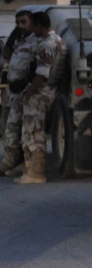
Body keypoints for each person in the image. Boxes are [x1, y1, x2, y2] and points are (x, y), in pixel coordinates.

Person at [15, 11, 64, 184]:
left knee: (33, 130)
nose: (32, 29)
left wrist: (30, 92)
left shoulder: (45, 45)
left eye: (34, 26)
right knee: (35, 129)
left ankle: (36, 173)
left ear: (40, 26)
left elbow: (42, 73)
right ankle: (32, 171)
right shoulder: (57, 40)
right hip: (49, 89)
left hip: (40, 91)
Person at [0, 11, 37, 177]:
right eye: (17, 23)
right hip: (13, 91)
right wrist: (11, 38)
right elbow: (6, 56)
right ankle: (9, 160)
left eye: (24, 22)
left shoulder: (36, 41)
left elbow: (38, 67)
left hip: (27, 91)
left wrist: (26, 84)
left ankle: (22, 163)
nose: (20, 26)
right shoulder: (19, 40)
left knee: (25, 129)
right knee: (10, 127)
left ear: (32, 22)